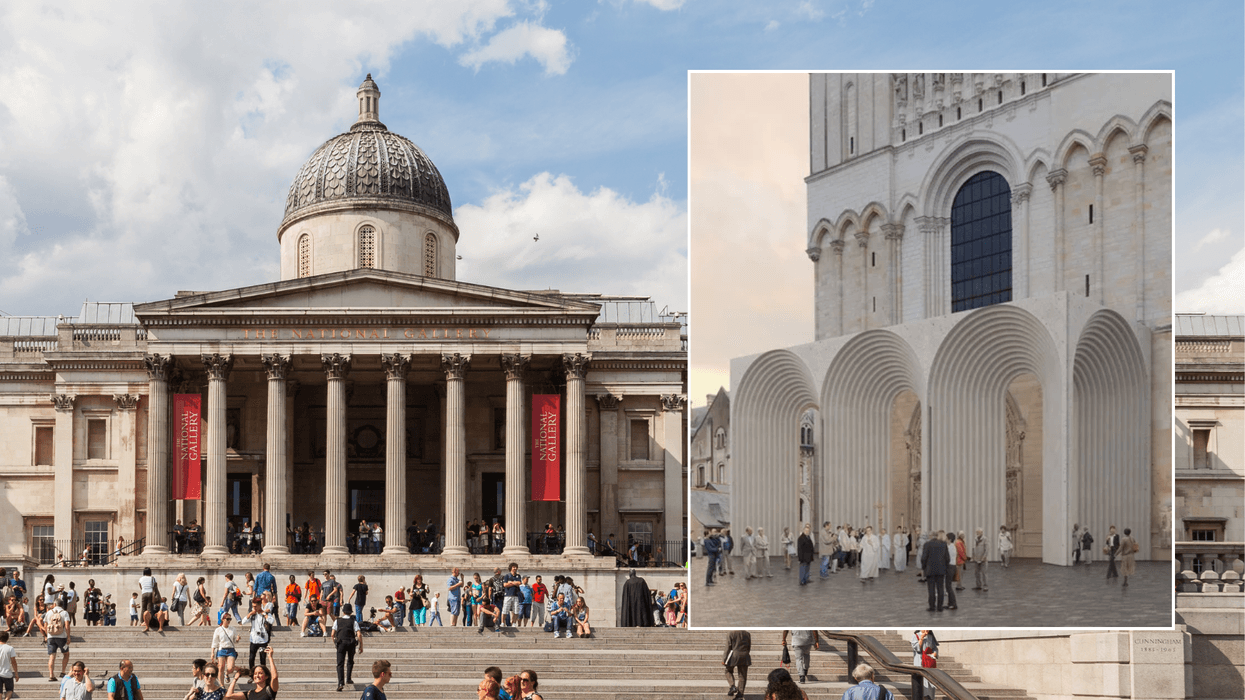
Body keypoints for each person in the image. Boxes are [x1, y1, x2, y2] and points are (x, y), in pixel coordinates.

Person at [920, 530, 953, 612]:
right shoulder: (943, 544)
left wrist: (924, 567)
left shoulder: (927, 544)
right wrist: (945, 566)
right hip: (941, 570)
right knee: (940, 588)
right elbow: (947, 558)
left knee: (931, 589)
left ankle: (932, 606)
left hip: (930, 569)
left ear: (931, 536)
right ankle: (940, 606)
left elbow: (924, 558)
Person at [333, 604, 362, 692]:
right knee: (350, 661)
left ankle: (340, 683)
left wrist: (335, 642)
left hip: (341, 643)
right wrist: (361, 646)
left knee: (340, 664)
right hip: (351, 643)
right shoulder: (353, 621)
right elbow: (359, 634)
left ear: (343, 612)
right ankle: (348, 679)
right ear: (350, 612)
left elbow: (332, 634)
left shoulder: (337, 621)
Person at [45, 596, 71, 683]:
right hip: (62, 637)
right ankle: (63, 672)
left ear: (54, 604)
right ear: (62, 605)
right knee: (66, 654)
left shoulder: (49, 612)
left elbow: (45, 625)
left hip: (50, 637)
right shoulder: (64, 613)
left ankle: (51, 675)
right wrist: (68, 637)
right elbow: (67, 626)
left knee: (52, 656)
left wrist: (46, 635)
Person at [239, 601, 270, 671]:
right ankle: (252, 674)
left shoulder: (264, 614)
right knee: (251, 658)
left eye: (255, 606)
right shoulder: (252, 614)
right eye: (253, 606)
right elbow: (243, 622)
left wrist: (265, 614)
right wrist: (249, 614)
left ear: (260, 605)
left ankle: (263, 674)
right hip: (254, 640)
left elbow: (271, 621)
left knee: (262, 659)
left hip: (263, 640)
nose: (254, 608)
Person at [723, 629, 751, 699]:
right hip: (745, 655)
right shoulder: (747, 634)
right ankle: (740, 694)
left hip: (734, 655)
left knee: (728, 670)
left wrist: (724, 658)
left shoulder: (731, 632)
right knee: (742, 676)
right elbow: (749, 646)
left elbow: (728, 647)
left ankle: (732, 686)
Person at [210, 613, 238, 678]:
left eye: (230, 619)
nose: (229, 621)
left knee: (231, 668)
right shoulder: (218, 630)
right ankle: (221, 685)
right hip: (221, 649)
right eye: (227, 619)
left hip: (230, 649)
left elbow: (234, 641)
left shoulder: (233, 629)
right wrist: (212, 653)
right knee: (221, 668)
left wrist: (237, 639)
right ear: (223, 619)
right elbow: (215, 642)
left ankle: (226, 673)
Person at [0, 630, 17, 700]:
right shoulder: (10, 648)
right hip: (8, 674)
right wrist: (16, 674)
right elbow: (13, 662)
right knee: (9, 690)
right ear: (7, 638)